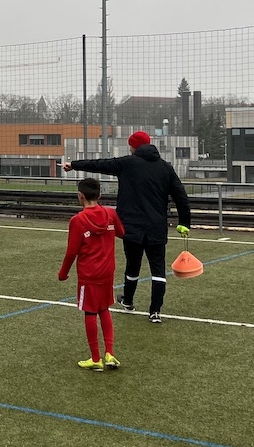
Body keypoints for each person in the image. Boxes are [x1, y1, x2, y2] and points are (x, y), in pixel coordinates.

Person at [63, 131, 192, 323]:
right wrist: (184, 223)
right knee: (158, 269)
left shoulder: (127, 163)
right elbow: (181, 197)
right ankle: (155, 311)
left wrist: (73, 165)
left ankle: (128, 301)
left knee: (132, 265)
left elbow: (100, 164)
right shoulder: (166, 168)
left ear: (134, 146)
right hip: (157, 227)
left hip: (131, 227)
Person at [59, 177, 124, 371]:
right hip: (107, 271)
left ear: (80, 195)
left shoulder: (78, 220)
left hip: (89, 273)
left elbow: (71, 252)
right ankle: (109, 353)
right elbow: (122, 232)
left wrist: (63, 273)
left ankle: (96, 358)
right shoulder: (110, 214)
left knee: (90, 311)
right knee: (104, 309)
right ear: (100, 195)